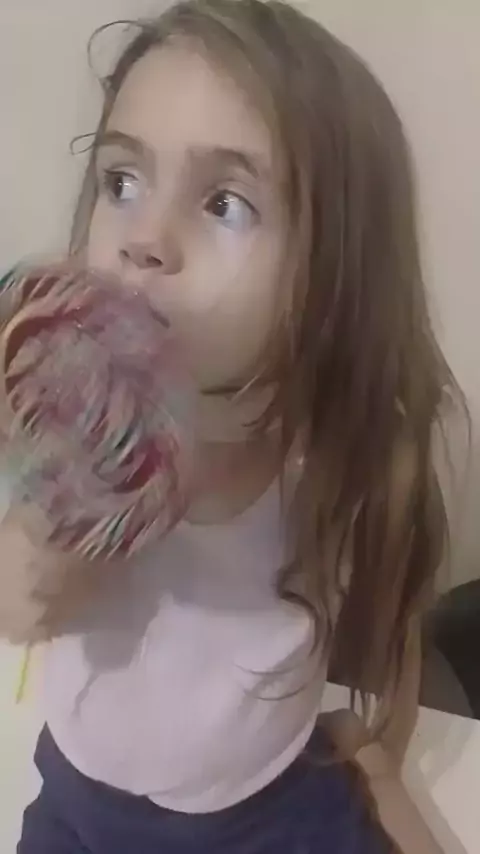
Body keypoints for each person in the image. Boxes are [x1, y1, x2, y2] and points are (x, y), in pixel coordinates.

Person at [0, 1, 460, 851]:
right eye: (121, 182)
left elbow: (394, 627)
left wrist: (381, 759)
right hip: (81, 795)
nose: (144, 239)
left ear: (336, 277)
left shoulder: (337, 456)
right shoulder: (65, 430)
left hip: (260, 807)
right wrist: (24, 563)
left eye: (224, 202)